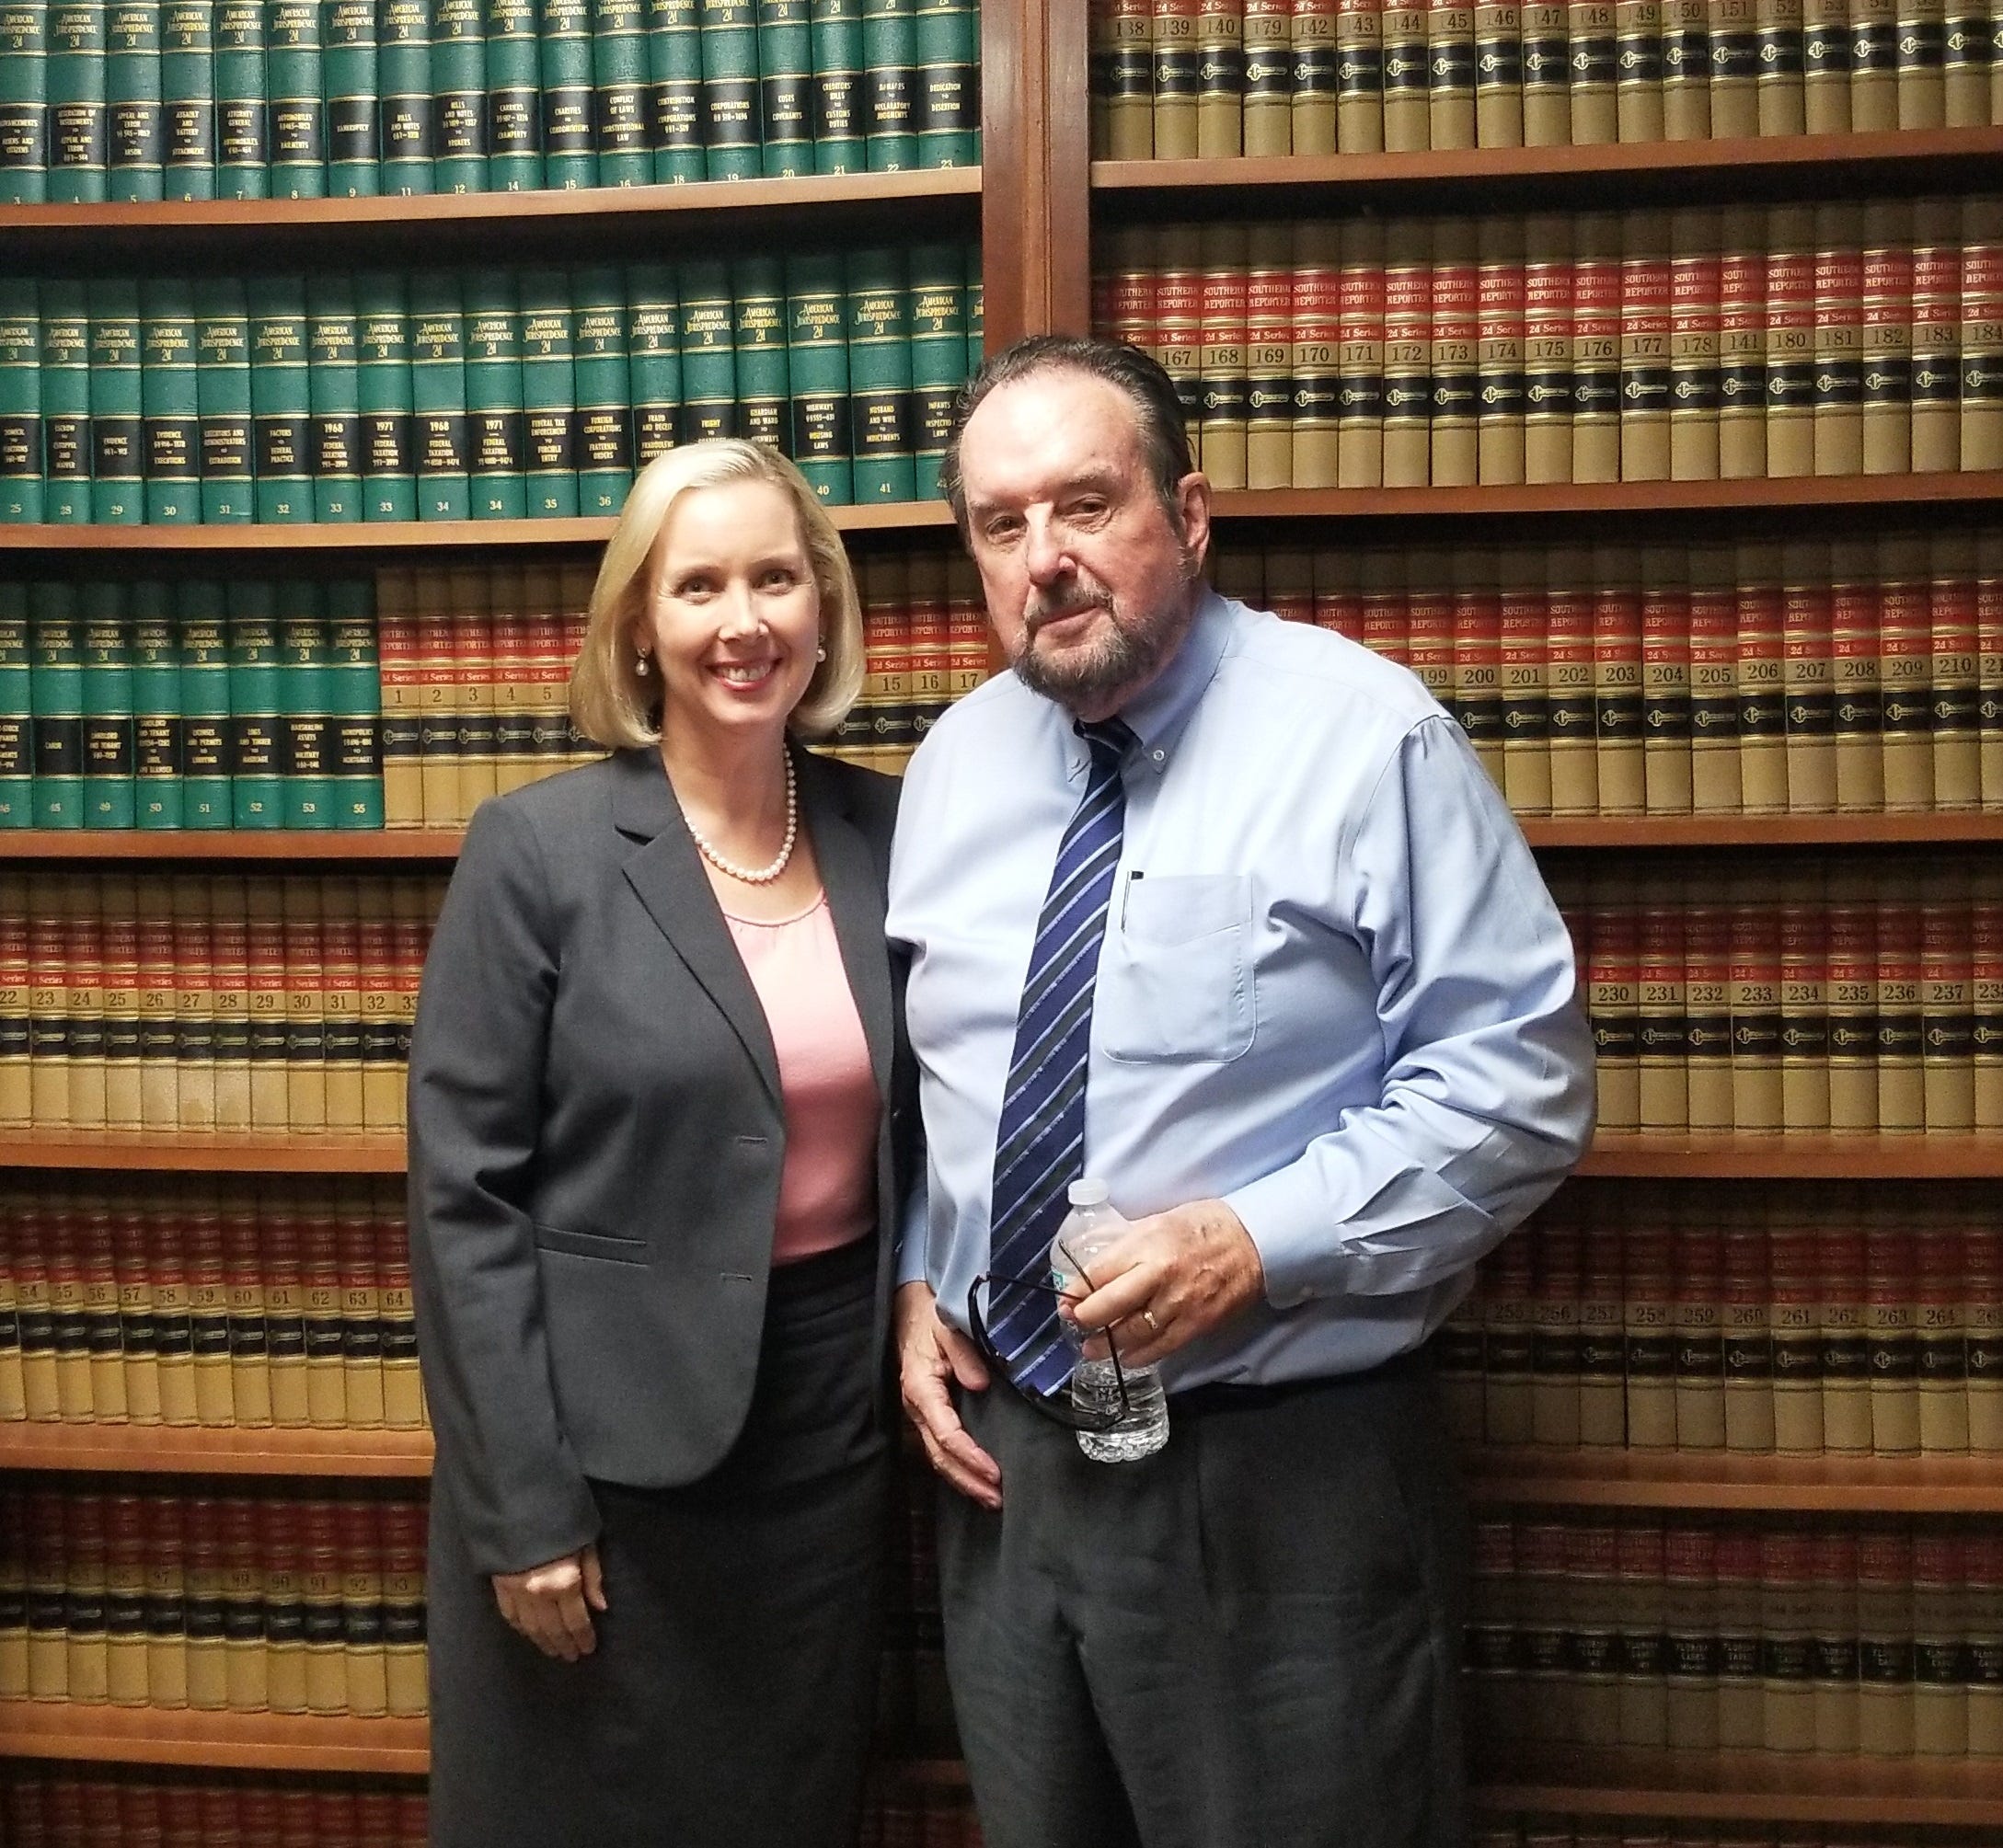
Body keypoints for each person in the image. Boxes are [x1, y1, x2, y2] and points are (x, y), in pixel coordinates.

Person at [887, 335, 1596, 1848]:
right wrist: (917, 1272)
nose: (1045, 559)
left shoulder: (1360, 735)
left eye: (1085, 505)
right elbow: (931, 1090)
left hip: (1277, 1473)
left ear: (1189, 515)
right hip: (1009, 1482)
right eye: (1000, 525)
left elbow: (1517, 1078)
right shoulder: (951, 765)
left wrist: (1249, 1238)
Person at [409, 438, 910, 1848]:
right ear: (639, 622)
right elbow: (465, 1200)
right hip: (601, 1468)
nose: (741, 619)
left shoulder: (892, 830)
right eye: (698, 585)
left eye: (773, 577)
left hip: (824, 1449)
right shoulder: (539, 851)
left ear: (822, 604)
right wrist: (522, 1506)